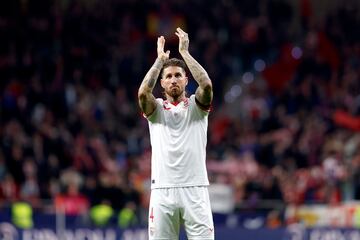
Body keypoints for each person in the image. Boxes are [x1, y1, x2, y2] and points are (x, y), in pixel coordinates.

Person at [138, 27, 214, 240]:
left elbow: (206, 84)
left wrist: (185, 54)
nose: (173, 80)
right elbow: (143, 92)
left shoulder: (196, 108)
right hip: (163, 190)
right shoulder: (157, 110)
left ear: (185, 80)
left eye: (178, 76)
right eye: (168, 76)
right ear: (161, 82)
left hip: (196, 189)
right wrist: (159, 61)